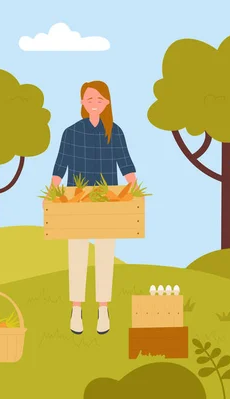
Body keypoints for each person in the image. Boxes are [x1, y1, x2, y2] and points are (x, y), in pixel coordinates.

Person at [48, 80, 137, 335]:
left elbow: (126, 164)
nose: (94, 104)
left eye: (99, 99)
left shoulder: (115, 131)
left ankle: (103, 309)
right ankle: (76, 309)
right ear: (82, 103)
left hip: (107, 200)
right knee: (76, 253)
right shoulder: (71, 132)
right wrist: (53, 192)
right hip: (75, 199)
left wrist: (133, 189)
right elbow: (60, 165)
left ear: (107, 102)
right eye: (89, 99)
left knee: (105, 254)